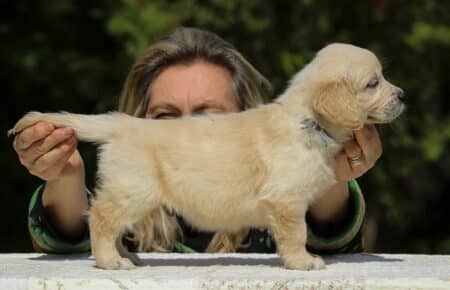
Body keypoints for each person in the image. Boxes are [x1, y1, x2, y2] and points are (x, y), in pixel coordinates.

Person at [13, 27, 381, 254]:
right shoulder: (133, 218)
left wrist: (332, 175)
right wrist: (64, 177)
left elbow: (330, 238)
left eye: (209, 117)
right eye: (165, 116)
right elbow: (68, 240)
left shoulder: (272, 185)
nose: (186, 132)